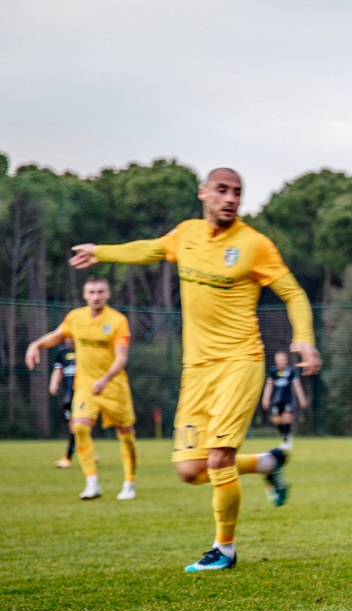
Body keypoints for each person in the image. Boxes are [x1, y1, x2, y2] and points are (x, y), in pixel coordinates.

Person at [69, 167, 321, 573]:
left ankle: (224, 549)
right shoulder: (186, 234)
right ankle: (267, 464)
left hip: (240, 363)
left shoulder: (254, 244)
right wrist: (102, 251)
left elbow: (292, 293)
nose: (230, 198)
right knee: (190, 470)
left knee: (219, 457)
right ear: (204, 193)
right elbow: (150, 249)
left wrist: (304, 338)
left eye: (237, 192)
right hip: (197, 370)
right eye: (222, 190)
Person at [25, 279, 138, 500]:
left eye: (100, 292)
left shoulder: (118, 321)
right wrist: (36, 344)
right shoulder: (75, 317)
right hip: (85, 386)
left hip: (114, 387)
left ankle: (129, 483)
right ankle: (92, 483)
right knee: (79, 427)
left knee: (126, 435)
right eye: (91, 292)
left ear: (108, 294)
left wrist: (105, 380)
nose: (96, 296)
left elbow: (121, 358)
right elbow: (57, 335)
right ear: (85, 295)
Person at [262, 350, 308, 450]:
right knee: (276, 421)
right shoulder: (273, 372)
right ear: (275, 361)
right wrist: (265, 399)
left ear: (286, 360)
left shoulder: (291, 371)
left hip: (287, 399)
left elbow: (297, 385)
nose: (280, 361)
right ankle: (286, 437)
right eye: (278, 359)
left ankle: (286, 441)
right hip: (276, 401)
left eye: (282, 359)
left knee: (287, 418)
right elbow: (269, 386)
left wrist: (302, 399)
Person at [50, 338, 78, 468]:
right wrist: (54, 383)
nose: (68, 339)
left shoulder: (84, 350)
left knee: (76, 426)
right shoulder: (62, 352)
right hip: (68, 396)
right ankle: (87, 450)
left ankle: (67, 458)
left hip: (83, 395)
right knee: (72, 425)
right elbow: (58, 370)